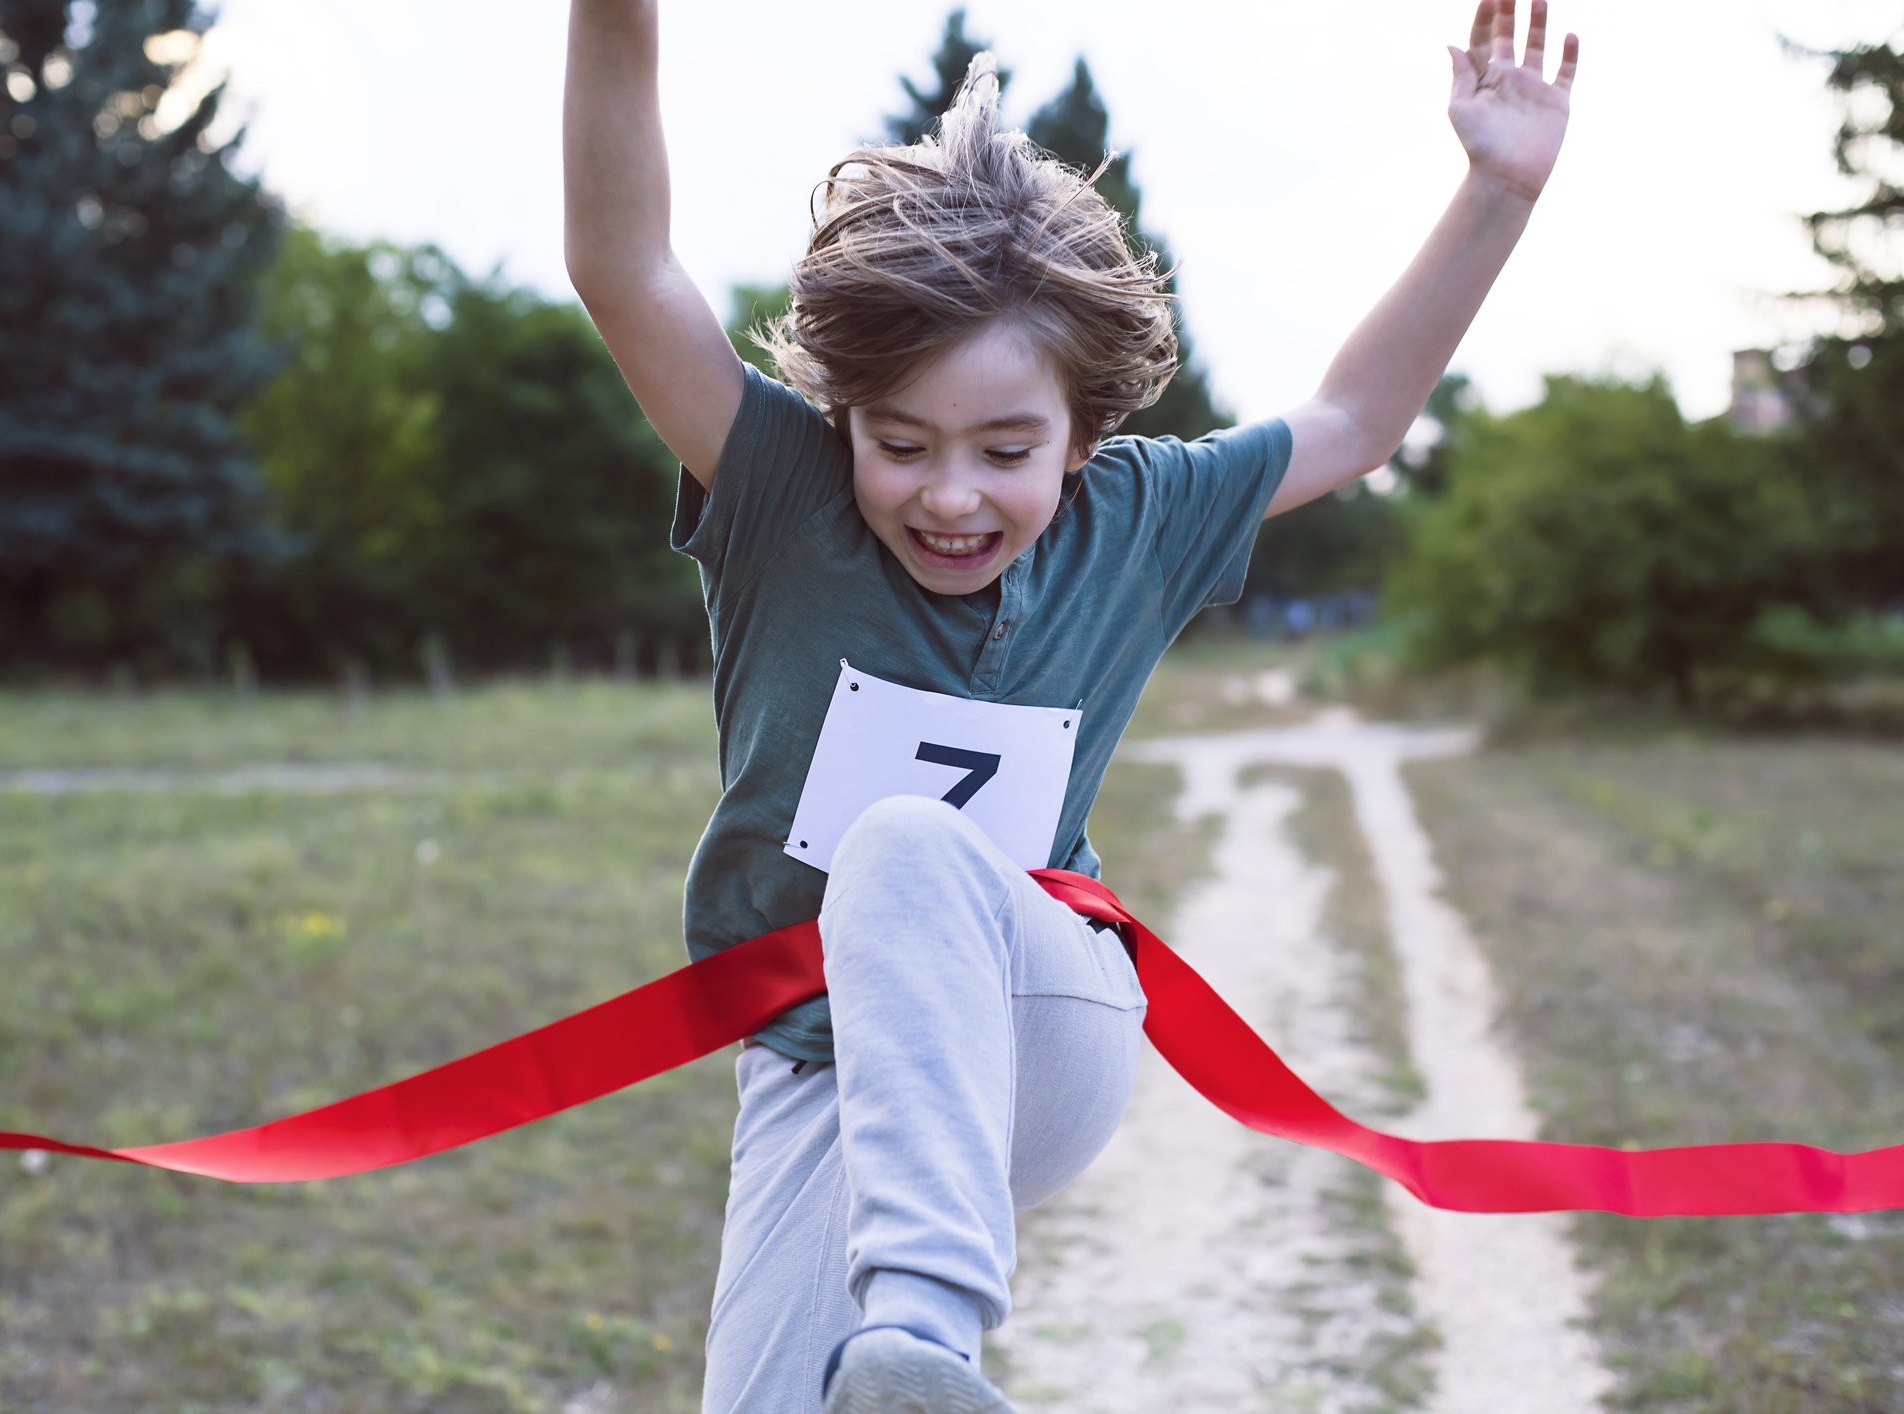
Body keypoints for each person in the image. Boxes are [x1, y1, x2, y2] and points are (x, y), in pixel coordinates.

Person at [561, 2, 1577, 1409]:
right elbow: (621, 270)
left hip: (1043, 1019)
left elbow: (1353, 422)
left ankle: (922, 1342)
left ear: (1085, 437)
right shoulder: (780, 499)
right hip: (820, 1062)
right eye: (901, 443)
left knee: (910, 842)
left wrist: (1494, 190)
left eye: (1006, 449)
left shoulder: (1141, 517)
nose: (952, 492)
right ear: (843, 419)